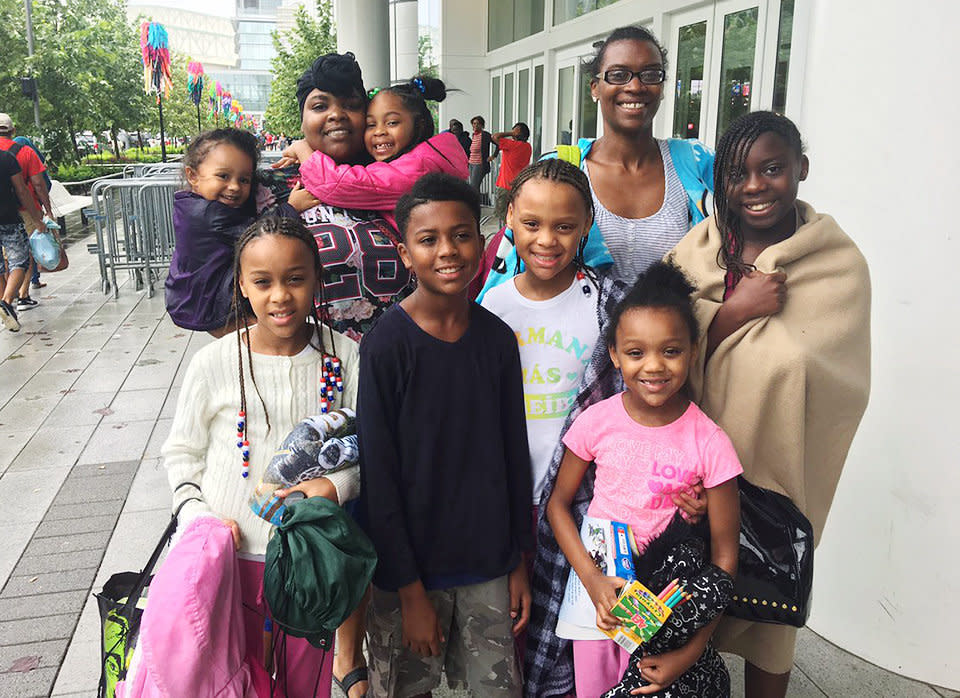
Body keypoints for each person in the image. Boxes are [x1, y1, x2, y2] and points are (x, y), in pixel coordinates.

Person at [670, 111, 871, 698]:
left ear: (801, 170)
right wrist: (735, 311)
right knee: (681, 608)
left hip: (775, 480)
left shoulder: (836, 265)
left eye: (773, 169)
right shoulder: (698, 250)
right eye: (737, 173)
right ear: (720, 180)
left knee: (769, 619)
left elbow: (839, 386)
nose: (754, 185)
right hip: (688, 482)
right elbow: (652, 343)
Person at [163, 216, 361, 698]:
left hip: (310, 558)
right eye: (263, 282)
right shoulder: (214, 362)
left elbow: (370, 447)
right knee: (232, 677)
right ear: (242, 286)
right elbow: (181, 455)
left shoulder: (346, 355)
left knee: (302, 680)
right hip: (230, 557)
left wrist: (339, 486)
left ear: (317, 278)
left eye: (295, 279)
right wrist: (199, 519)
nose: (280, 296)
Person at [358, 173, 532, 697]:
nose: (447, 251)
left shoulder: (497, 340)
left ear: (482, 244)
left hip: (488, 564)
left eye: (461, 235)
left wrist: (518, 562)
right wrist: (409, 592)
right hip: (410, 572)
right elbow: (380, 480)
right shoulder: (387, 346)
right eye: (428, 239)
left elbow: (513, 457)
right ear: (405, 253)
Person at [534, 261, 741, 697]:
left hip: (667, 615)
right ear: (613, 354)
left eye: (671, 351)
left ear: (692, 349)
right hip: (599, 603)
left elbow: (724, 560)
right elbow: (557, 505)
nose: (654, 367)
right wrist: (591, 581)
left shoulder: (711, 443)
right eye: (635, 352)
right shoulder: (596, 421)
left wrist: (688, 653)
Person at [476, 25, 714, 300]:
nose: (635, 86)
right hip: (570, 342)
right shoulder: (559, 170)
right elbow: (511, 270)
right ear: (595, 88)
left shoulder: (697, 165)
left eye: (650, 74)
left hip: (678, 340)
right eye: (618, 75)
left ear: (661, 87)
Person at [164, 128, 310, 337]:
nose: (234, 187)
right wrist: (291, 208)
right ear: (193, 176)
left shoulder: (190, 203)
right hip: (210, 305)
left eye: (244, 180)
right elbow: (258, 234)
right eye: (223, 176)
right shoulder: (207, 215)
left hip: (196, 297)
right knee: (268, 341)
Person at [286, 75, 468, 233]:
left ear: (419, 125)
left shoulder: (419, 167)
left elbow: (341, 184)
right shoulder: (416, 160)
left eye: (392, 122)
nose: (379, 132)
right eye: (371, 125)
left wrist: (303, 150)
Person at [0, 113, 54, 310]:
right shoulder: (24, 151)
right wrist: (45, 212)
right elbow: (37, 185)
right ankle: (21, 295)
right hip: (21, 211)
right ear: (13, 131)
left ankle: (6, 299)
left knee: (4, 259)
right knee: (24, 255)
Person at [0, 148, 41, 331]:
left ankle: (7, 311)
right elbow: (22, 191)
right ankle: (7, 301)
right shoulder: (6, 158)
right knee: (20, 262)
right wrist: (36, 218)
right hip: (9, 218)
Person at [490, 122, 532, 224]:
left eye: (515, 131)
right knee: (516, 214)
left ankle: (506, 236)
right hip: (519, 186)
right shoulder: (528, 147)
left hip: (505, 186)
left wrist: (511, 133)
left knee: (504, 216)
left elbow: (495, 137)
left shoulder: (512, 145)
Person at [467, 115, 498, 197]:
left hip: (479, 164)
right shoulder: (474, 135)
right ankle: (476, 204)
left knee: (474, 186)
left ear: (482, 125)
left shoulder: (485, 135)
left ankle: (475, 204)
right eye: (473, 123)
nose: (475, 125)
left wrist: (493, 156)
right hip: (471, 163)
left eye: (477, 123)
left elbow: (498, 144)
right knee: (473, 185)